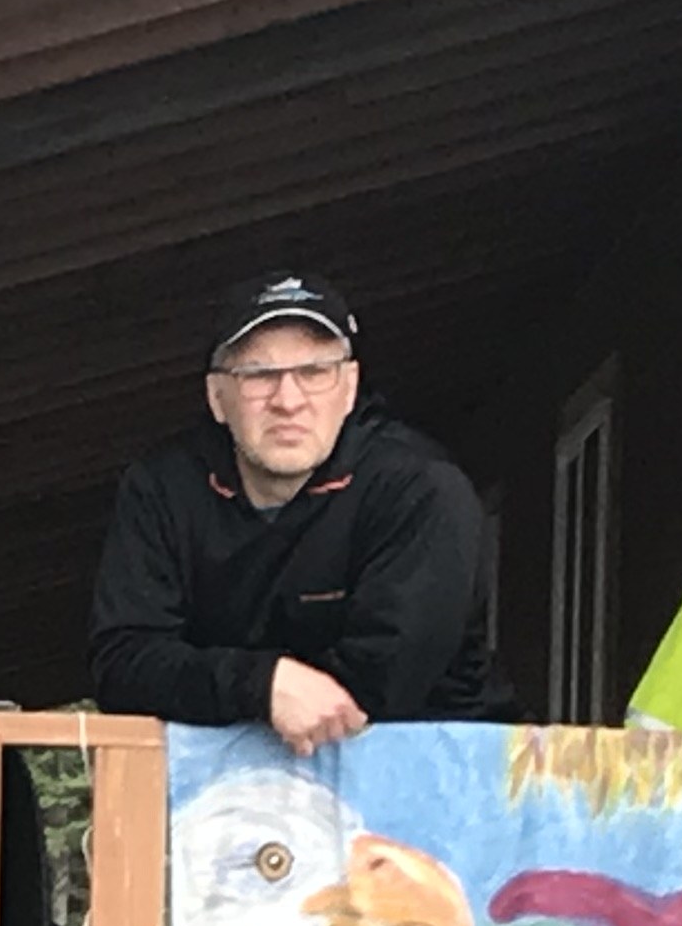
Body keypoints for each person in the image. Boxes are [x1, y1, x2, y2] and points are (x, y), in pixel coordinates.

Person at [89, 272, 506, 754]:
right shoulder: (161, 488)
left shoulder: (421, 489)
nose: (288, 401)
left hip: (440, 785)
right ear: (217, 398)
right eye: (259, 375)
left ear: (349, 388)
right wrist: (263, 685)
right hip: (220, 794)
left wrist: (240, 686)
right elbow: (121, 666)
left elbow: (379, 687)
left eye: (314, 372)